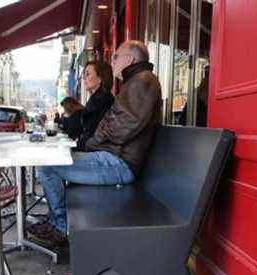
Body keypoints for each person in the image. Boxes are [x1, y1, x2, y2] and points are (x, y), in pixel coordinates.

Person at [29, 40, 162, 248]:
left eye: (116, 57)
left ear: (131, 59)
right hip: (113, 158)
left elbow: (122, 126)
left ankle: (61, 227)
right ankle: (57, 222)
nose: (113, 61)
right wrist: (97, 138)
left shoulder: (143, 81)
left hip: (118, 164)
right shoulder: (136, 82)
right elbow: (114, 122)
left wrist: (94, 140)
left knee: (48, 166)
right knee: (50, 162)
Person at [76, 60, 114, 151]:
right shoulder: (95, 99)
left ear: (100, 78)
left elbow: (96, 133)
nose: (84, 78)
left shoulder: (104, 101)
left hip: (96, 151)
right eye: (84, 74)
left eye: (88, 74)